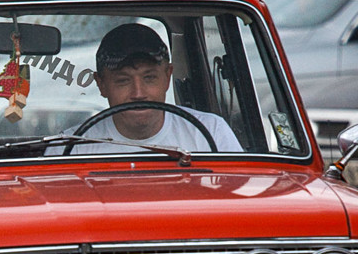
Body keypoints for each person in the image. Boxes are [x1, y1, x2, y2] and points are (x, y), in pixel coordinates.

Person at [51, 23, 242, 155]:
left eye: (149, 78)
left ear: (167, 77)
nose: (138, 93)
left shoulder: (212, 133)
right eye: (123, 81)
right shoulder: (71, 148)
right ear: (101, 84)